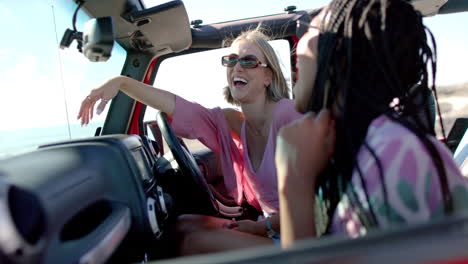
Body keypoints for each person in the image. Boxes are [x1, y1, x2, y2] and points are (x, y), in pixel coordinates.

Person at [78, 28, 302, 254]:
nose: (237, 67)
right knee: (181, 226)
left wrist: (259, 228)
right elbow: (177, 106)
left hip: (305, 241)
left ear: (268, 76)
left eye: (249, 61)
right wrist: (121, 83)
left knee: (190, 243)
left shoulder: (288, 117)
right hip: (274, 229)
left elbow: (312, 204)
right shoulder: (232, 122)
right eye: (231, 60)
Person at [275, 0, 468, 249]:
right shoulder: (364, 144)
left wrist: (294, 180)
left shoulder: (396, 154)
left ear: (340, 54)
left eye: (312, 29)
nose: (298, 47)